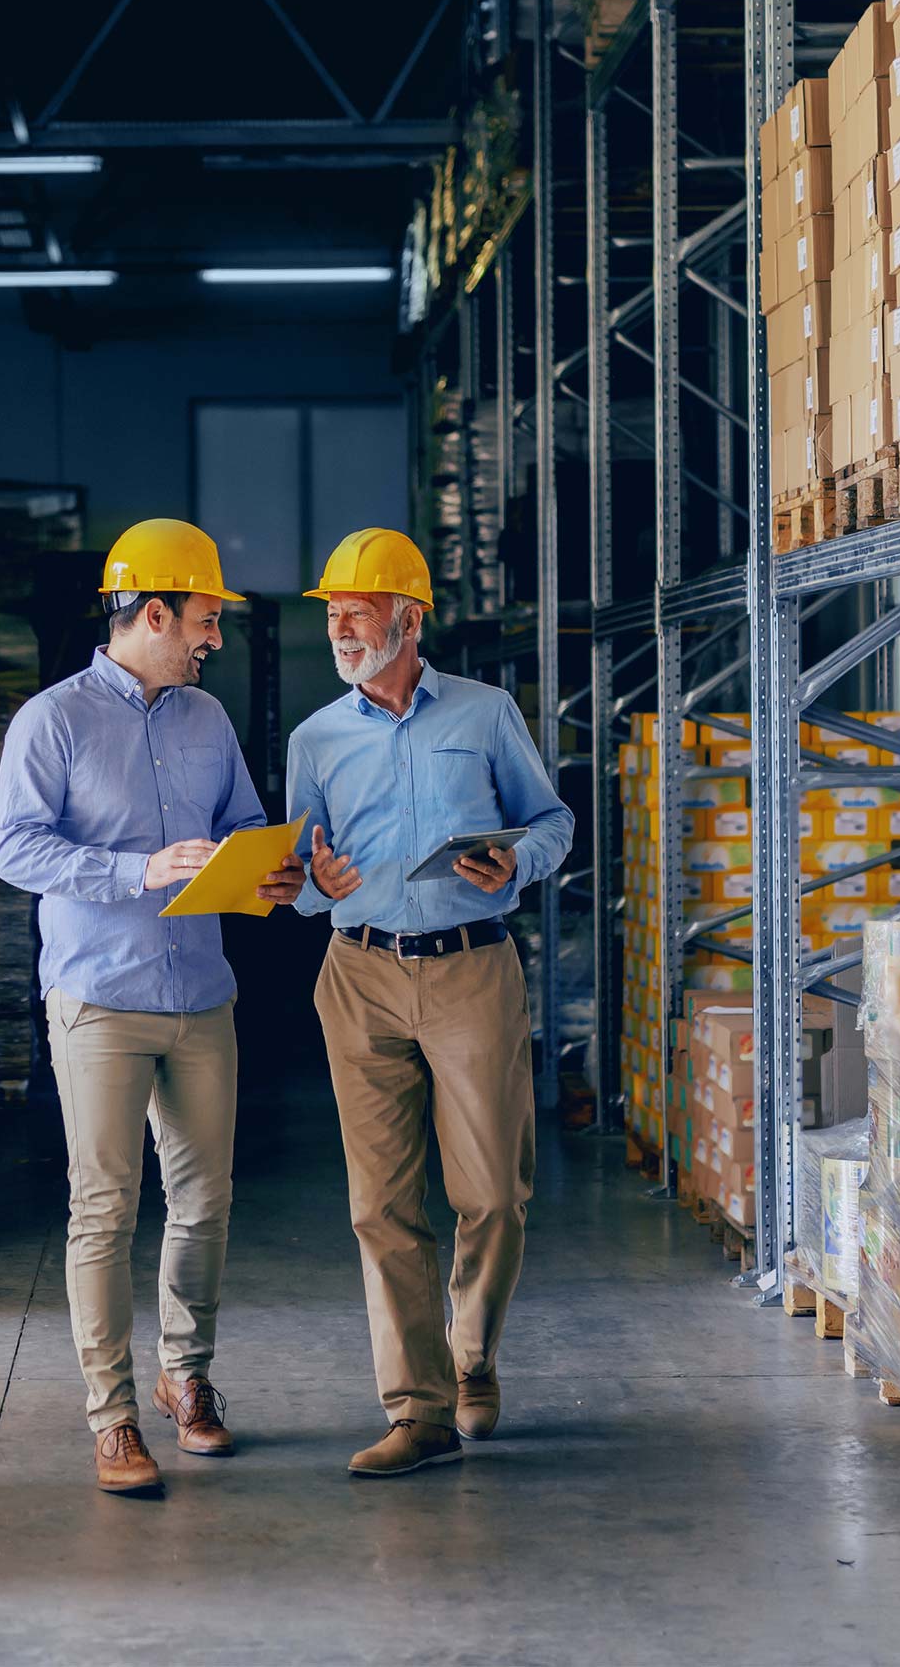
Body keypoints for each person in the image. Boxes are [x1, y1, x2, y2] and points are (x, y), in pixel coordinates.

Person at [0, 518, 298, 1496]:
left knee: (204, 1201)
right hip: (99, 996)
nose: (212, 639)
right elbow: (15, 850)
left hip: (200, 991)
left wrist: (265, 875)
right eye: (203, 620)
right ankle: (111, 1416)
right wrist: (135, 869)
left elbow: (241, 827)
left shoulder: (205, 722)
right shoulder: (54, 719)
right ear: (151, 613)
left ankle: (184, 1376)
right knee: (103, 1207)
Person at [269, 527, 575, 1478]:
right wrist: (311, 881)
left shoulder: (485, 716)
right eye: (332, 613)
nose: (342, 627)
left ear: (410, 619)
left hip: (471, 967)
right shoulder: (314, 739)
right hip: (357, 972)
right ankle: (418, 1406)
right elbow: (302, 878)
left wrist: (514, 861)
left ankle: (472, 1353)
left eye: (358, 611)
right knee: (381, 1205)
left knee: (492, 1192)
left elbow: (554, 821)